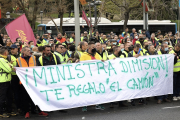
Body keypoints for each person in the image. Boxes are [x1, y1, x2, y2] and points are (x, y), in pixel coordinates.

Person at [16, 46, 48, 118]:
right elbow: (17, 70)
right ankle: (26, 112)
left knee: (36, 96)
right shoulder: (18, 60)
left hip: (33, 81)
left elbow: (37, 67)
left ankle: (39, 110)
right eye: (27, 51)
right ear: (23, 52)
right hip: (24, 82)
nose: (29, 52)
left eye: (29, 50)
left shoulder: (33, 58)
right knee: (25, 98)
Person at [80, 41, 105, 111]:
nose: (95, 48)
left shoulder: (97, 54)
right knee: (87, 90)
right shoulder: (83, 55)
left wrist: (103, 61)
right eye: (93, 47)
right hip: (87, 76)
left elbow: (101, 61)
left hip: (96, 76)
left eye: (95, 47)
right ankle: (85, 105)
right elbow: (81, 65)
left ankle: (98, 104)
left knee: (97, 90)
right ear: (89, 48)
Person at [0, 47, 15, 118]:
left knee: (9, 97)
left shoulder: (4, 60)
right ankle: (1, 112)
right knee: (2, 97)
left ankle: (9, 110)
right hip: (3, 82)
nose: (8, 53)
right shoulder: (1, 60)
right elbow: (9, 69)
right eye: (8, 52)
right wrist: (11, 65)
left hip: (7, 81)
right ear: (5, 53)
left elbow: (9, 66)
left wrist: (10, 65)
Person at [10, 44, 21, 113]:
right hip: (13, 77)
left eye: (13, 49)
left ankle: (23, 106)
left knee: (22, 92)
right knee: (16, 93)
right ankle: (18, 107)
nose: (12, 50)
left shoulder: (21, 55)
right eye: (11, 49)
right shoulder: (8, 57)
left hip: (21, 77)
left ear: (17, 49)